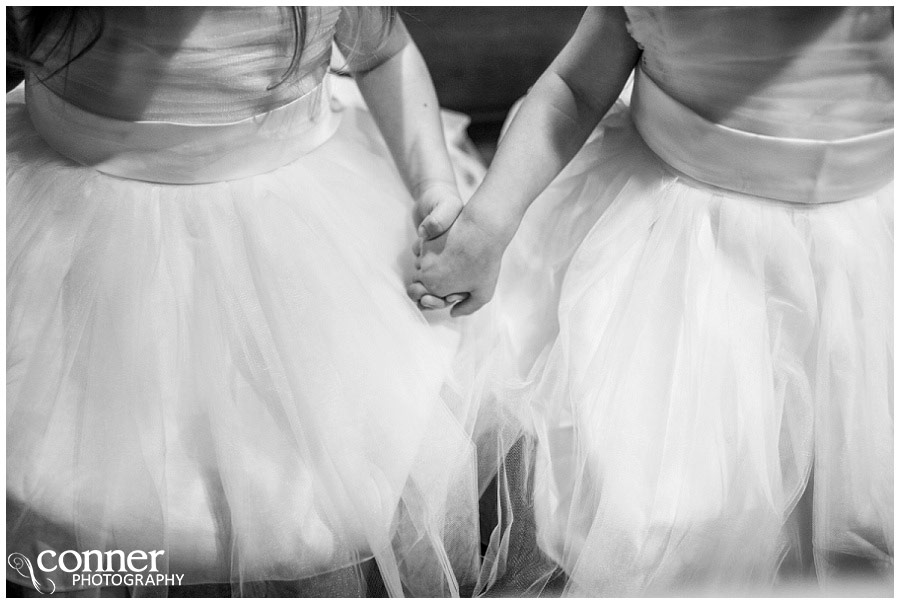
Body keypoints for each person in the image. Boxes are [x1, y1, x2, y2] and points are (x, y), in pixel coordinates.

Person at [411, 6, 893, 596]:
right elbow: (574, 86)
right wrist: (487, 226)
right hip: (670, 251)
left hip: (859, 261)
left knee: (848, 514)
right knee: (658, 505)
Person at [7, 6, 485, 597]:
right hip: (70, 227)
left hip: (290, 237)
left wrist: (433, 182)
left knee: (299, 493)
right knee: (73, 476)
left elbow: (384, 51)